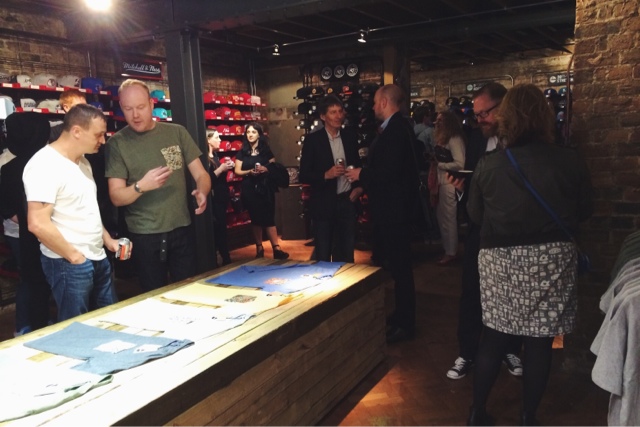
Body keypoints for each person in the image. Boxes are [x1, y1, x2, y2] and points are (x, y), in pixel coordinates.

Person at [465, 84, 593, 425]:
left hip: (499, 260)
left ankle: (477, 413)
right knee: (539, 342)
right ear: (544, 117)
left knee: (494, 337)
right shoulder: (570, 160)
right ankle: (527, 417)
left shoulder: (489, 164)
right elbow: (585, 210)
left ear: (506, 117)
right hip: (551, 259)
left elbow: (475, 216)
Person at [446, 82, 523, 381]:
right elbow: (473, 188)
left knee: (512, 292)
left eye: (484, 113)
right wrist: (462, 189)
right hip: (480, 229)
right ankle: (467, 352)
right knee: (471, 291)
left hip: (513, 232)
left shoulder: (522, 140)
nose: (479, 120)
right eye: (476, 114)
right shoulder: (477, 140)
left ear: (503, 107)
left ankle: (510, 348)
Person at [105, 79, 211, 292]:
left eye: (141, 107)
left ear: (152, 104)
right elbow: (116, 196)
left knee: (191, 291)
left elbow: (201, 174)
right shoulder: (117, 143)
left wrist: (203, 191)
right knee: (153, 295)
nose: (135, 115)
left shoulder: (177, 132)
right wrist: (141, 186)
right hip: (145, 235)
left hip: (181, 227)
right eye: (128, 109)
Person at [23, 104, 120, 322]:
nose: (103, 140)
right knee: (76, 328)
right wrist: (75, 257)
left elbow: (87, 209)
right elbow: (37, 223)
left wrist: (108, 241)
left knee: (111, 321)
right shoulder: (44, 165)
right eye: (98, 135)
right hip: (68, 262)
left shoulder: (83, 162)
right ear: (76, 131)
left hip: (96, 256)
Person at [345, 84, 418, 344]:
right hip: (395, 210)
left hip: (395, 212)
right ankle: (400, 317)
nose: (373, 107)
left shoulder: (395, 131)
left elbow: (389, 173)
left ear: (385, 102)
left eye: (376, 102)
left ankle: (405, 324)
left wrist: (361, 174)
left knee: (401, 269)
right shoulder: (398, 127)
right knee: (398, 268)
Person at [0, 112, 52, 334]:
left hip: (29, 231)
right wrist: (36, 221)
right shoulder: (14, 167)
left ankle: (33, 324)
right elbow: (8, 208)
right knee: (33, 280)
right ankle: (26, 326)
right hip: (24, 234)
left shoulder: (11, 166)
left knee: (35, 281)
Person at [299, 94, 363, 262]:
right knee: (323, 253)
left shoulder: (349, 137)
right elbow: (303, 174)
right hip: (323, 204)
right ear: (323, 116)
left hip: (347, 201)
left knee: (347, 253)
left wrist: (359, 187)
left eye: (340, 111)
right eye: (333, 112)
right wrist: (325, 175)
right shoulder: (313, 140)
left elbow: (359, 166)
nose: (338, 116)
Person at [234, 122, 289, 260]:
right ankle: (259, 247)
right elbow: (237, 171)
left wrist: (266, 169)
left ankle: (276, 248)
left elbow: (274, 167)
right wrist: (249, 172)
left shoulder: (266, 151)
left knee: (269, 217)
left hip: (265, 188)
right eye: (248, 132)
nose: (250, 135)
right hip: (250, 188)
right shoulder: (242, 152)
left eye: (253, 132)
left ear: (259, 134)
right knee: (255, 218)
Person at [433, 110, 465, 265]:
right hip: (442, 181)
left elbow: (460, 163)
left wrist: (441, 165)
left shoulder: (454, 139)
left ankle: (451, 251)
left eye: (441, 120)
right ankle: (448, 249)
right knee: (442, 217)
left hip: (450, 182)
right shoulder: (444, 138)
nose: (437, 123)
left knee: (449, 218)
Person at [206, 129, 233, 266]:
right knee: (218, 230)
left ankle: (225, 257)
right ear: (208, 140)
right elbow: (207, 180)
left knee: (222, 229)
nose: (220, 140)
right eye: (217, 137)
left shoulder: (215, 156)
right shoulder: (205, 159)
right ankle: (220, 258)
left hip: (221, 199)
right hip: (213, 200)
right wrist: (221, 169)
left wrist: (227, 168)